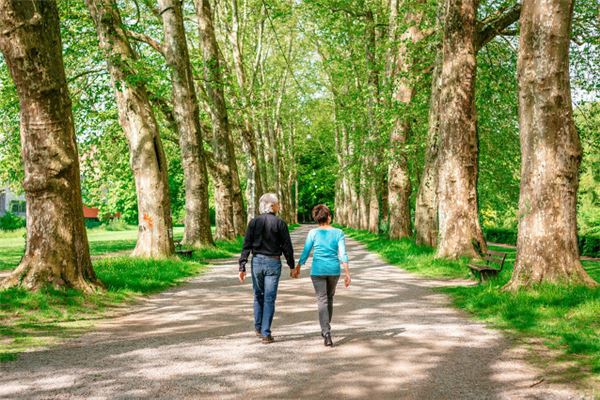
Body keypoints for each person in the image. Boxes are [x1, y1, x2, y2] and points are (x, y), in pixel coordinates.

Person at [239, 193, 295, 344]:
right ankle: (265, 333)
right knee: (269, 298)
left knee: (258, 295)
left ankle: (258, 328)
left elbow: (246, 245)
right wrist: (292, 266)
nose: (279, 207)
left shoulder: (253, 222)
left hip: (256, 262)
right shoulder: (280, 223)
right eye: (277, 204)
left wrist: (242, 265)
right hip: (273, 262)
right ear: (271, 206)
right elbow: (287, 247)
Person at [294, 204, 350, 347]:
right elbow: (343, 254)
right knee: (329, 298)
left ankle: (326, 332)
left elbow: (306, 251)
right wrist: (347, 273)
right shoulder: (338, 233)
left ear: (316, 219)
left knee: (322, 300)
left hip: (318, 271)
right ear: (329, 217)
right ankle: (326, 329)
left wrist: (298, 267)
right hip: (333, 271)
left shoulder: (313, 233)